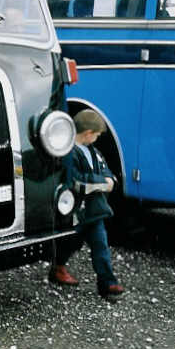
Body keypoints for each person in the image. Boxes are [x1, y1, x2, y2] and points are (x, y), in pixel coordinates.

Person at [48, 109, 125, 299]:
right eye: (97, 135)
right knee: (69, 243)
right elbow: (76, 181)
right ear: (88, 133)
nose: (97, 138)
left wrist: (107, 180)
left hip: (95, 211)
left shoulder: (94, 152)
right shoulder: (68, 153)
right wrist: (103, 183)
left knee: (101, 246)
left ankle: (107, 283)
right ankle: (58, 267)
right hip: (76, 212)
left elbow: (107, 172)